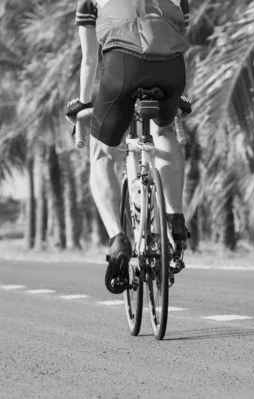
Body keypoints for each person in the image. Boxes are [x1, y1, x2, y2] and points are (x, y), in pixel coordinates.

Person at [66, 0, 191, 294]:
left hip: (124, 68)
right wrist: (180, 96)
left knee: (102, 154)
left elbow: (89, 60)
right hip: (172, 71)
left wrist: (84, 103)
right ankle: (175, 217)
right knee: (164, 133)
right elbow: (173, 39)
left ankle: (118, 239)